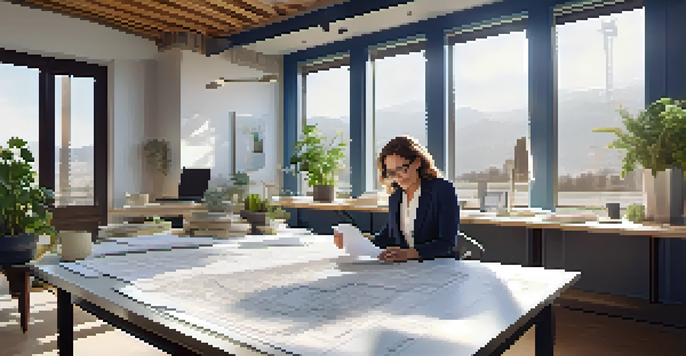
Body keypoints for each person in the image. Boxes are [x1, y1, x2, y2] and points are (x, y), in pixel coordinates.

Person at [334, 136, 459, 262]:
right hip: (410, 269)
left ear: (417, 162)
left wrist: (409, 254)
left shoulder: (442, 189)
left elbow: (447, 243)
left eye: (402, 169)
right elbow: (388, 237)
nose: (397, 177)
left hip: (440, 267)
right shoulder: (396, 196)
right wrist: (355, 240)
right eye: (391, 172)